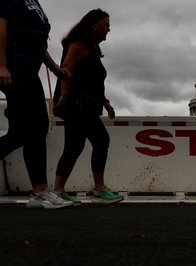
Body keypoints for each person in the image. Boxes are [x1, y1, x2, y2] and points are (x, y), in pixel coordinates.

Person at [0, 0, 72, 208]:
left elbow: (39, 42)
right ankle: (40, 192)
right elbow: (1, 26)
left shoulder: (33, 3)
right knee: (37, 125)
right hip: (14, 67)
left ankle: (40, 191)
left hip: (28, 69)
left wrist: (54, 68)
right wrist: (2, 66)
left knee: (21, 133)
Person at [52, 9, 123, 205]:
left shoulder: (92, 50)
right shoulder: (79, 45)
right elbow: (67, 70)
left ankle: (58, 190)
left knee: (74, 147)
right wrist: (64, 97)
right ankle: (98, 188)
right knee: (100, 140)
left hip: (86, 104)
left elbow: (90, 81)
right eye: (105, 24)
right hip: (77, 105)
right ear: (93, 25)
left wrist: (105, 102)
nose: (109, 29)